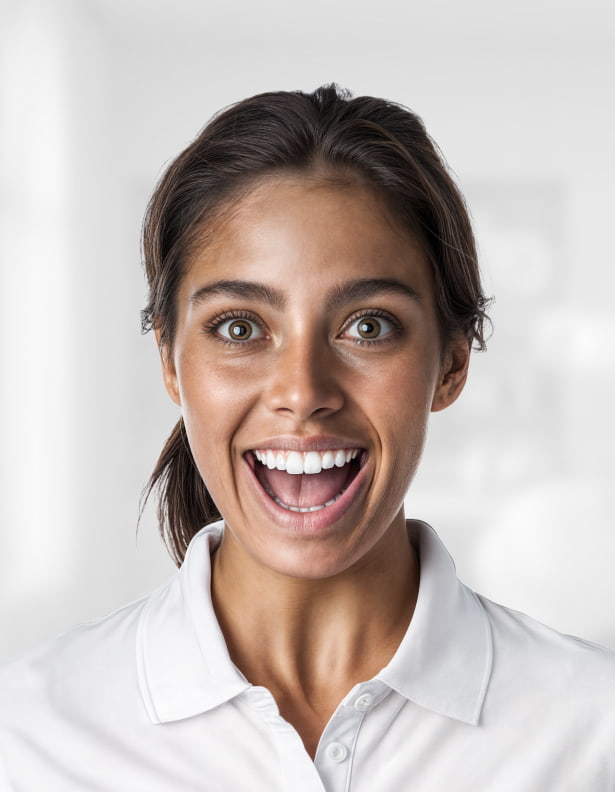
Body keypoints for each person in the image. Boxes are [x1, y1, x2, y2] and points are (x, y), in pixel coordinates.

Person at [1, 85, 614, 791]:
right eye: (239, 328)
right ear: (170, 360)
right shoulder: (24, 740)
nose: (302, 392)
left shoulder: (590, 731)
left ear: (450, 363)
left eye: (367, 326)